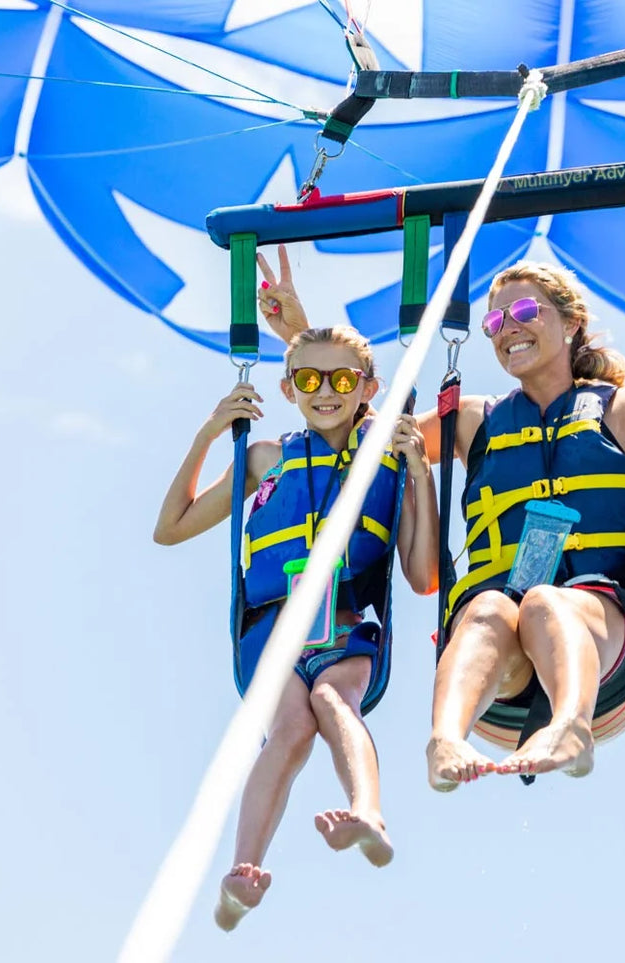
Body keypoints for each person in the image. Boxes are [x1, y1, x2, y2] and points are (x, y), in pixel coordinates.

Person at [256, 248, 625, 790]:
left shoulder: (624, 410)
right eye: (494, 320)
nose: (506, 329)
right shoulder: (473, 420)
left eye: (527, 314)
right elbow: (359, 431)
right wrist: (299, 340)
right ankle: (445, 738)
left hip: (607, 635)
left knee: (545, 601)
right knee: (491, 605)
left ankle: (570, 728)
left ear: (571, 323)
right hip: (500, 669)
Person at [153, 312, 438, 930]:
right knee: (289, 728)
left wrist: (419, 471)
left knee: (336, 703)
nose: (325, 391)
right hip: (272, 630)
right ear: (288, 390)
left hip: (343, 624)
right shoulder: (264, 458)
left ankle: (368, 814)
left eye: (341, 380)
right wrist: (209, 435)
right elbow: (169, 529)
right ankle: (242, 875)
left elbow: (422, 577)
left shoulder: (389, 455)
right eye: (307, 379)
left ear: (368, 386)